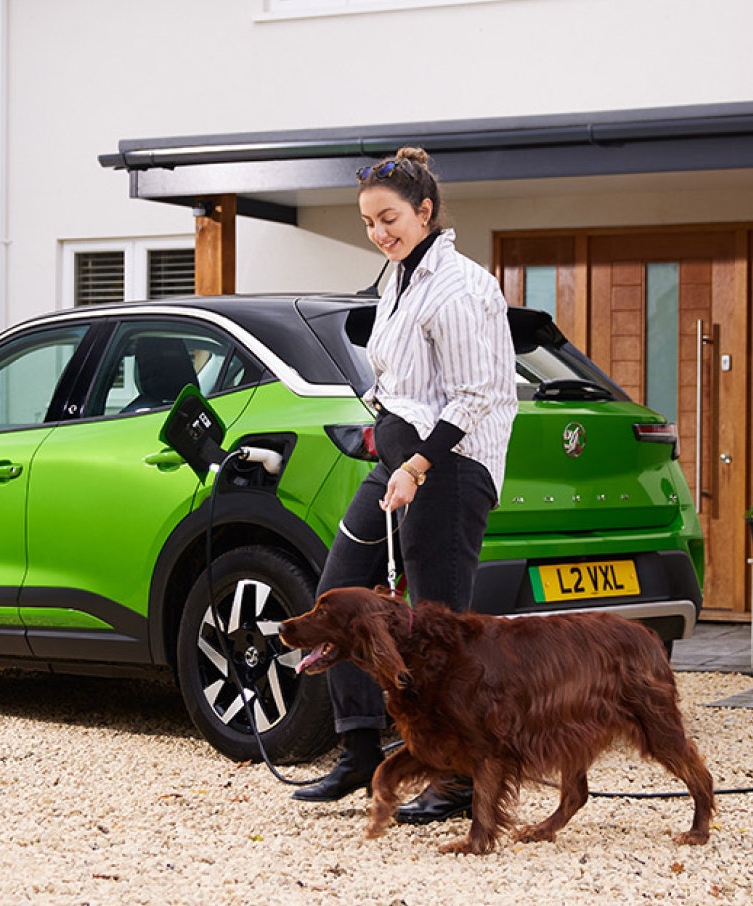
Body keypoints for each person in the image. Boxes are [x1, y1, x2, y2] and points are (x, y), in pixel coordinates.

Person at [291, 147, 518, 824]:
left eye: (388, 218)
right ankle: (362, 751)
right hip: (396, 465)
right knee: (343, 593)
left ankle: (455, 778)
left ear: (424, 211)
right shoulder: (399, 276)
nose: (378, 232)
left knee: (439, 628)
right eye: (368, 222)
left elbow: (478, 394)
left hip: (449, 470)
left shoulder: (463, 287)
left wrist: (418, 465)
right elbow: (405, 380)